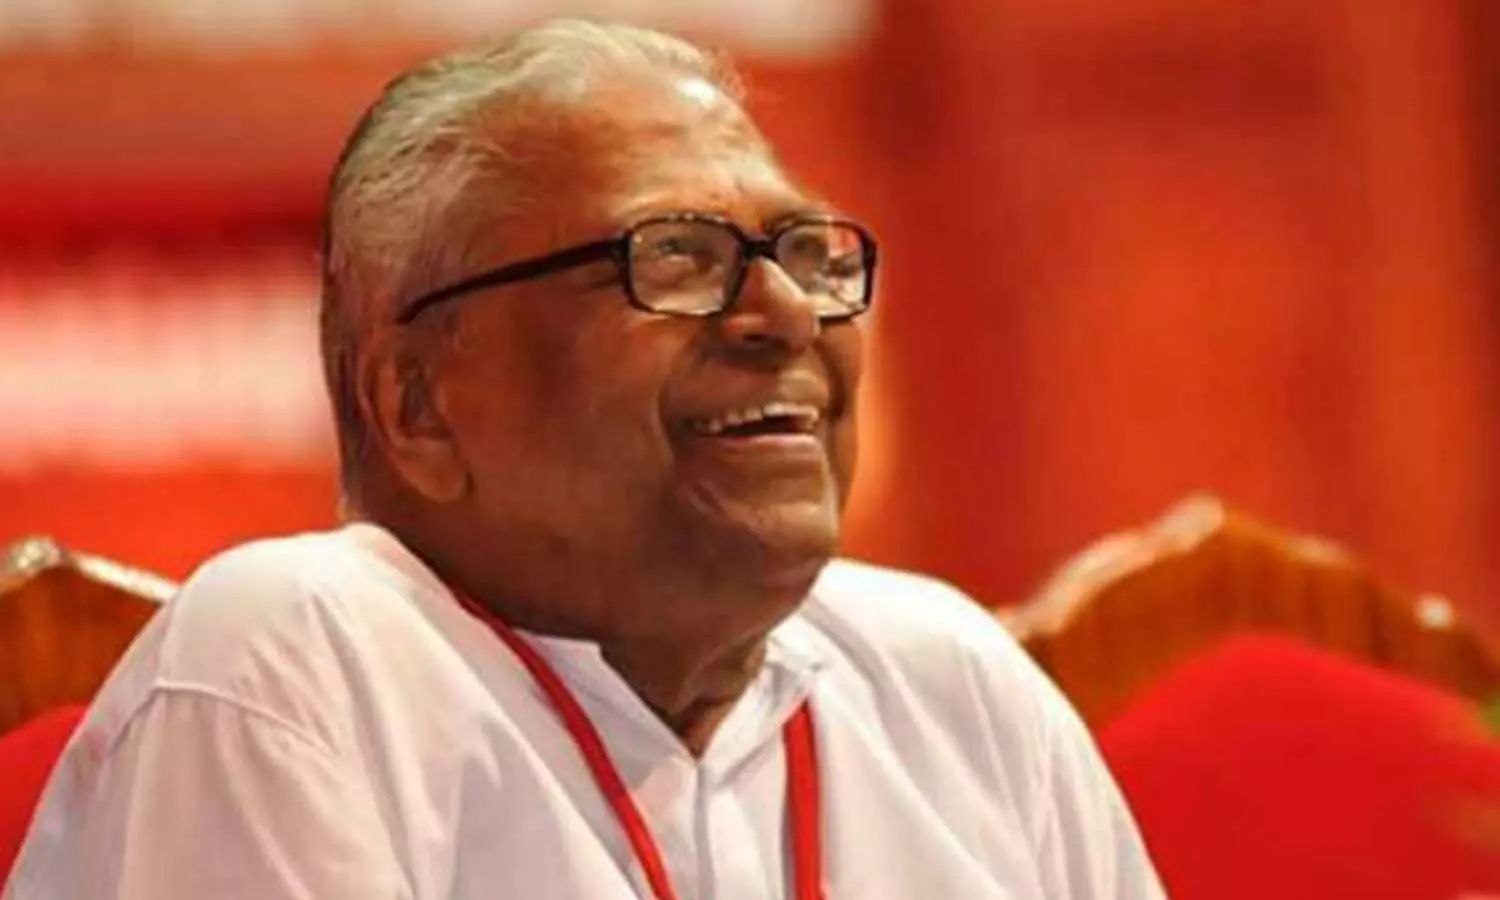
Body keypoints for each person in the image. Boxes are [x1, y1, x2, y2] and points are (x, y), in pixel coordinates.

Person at [5, 19, 1164, 900]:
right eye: (674, 258)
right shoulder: (305, 658)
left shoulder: (953, 684)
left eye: (807, 253)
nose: (784, 313)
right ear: (419, 404)